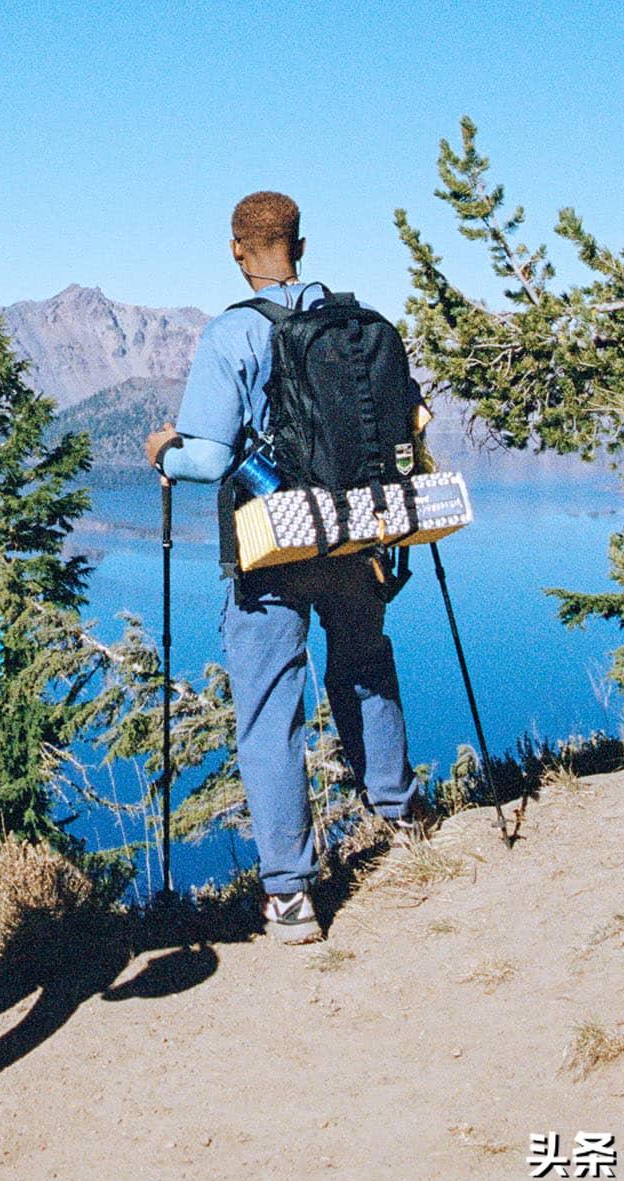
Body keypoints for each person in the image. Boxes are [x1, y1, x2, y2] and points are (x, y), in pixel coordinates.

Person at [145, 190, 428, 946]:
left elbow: (209, 458)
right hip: (356, 533)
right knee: (364, 667)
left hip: (274, 546)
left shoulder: (233, 333)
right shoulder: (359, 324)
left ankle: (291, 895)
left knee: (272, 710)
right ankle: (403, 817)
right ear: (300, 244)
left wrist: (163, 451)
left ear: (236, 249)